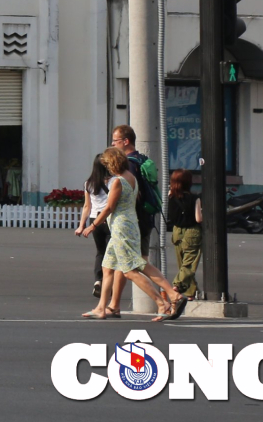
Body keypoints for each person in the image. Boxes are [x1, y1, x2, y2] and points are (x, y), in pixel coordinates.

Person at [83, 146, 183, 320]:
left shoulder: (118, 182)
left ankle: (162, 302)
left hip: (122, 228)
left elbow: (109, 208)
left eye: (107, 164)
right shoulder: (131, 178)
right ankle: (102, 307)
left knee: (131, 270)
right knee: (108, 267)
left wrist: (92, 225)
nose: (107, 168)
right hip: (126, 226)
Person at [110, 124, 161, 258]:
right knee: (134, 262)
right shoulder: (142, 159)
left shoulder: (129, 164)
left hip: (134, 220)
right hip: (145, 217)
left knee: (130, 264)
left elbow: (130, 194)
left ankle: (158, 280)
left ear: (126, 141)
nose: (112, 144)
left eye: (115, 141)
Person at [77, 155, 113, 300]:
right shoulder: (114, 182)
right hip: (108, 219)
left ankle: (98, 280)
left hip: (94, 220)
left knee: (100, 252)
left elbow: (87, 206)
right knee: (112, 255)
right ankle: (108, 285)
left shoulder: (88, 183)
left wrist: (81, 226)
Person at [165, 168, 202, 300]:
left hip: (176, 231)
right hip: (191, 231)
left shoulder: (170, 196)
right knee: (189, 264)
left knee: (182, 263)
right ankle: (178, 285)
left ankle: (190, 292)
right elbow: (198, 219)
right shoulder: (195, 198)